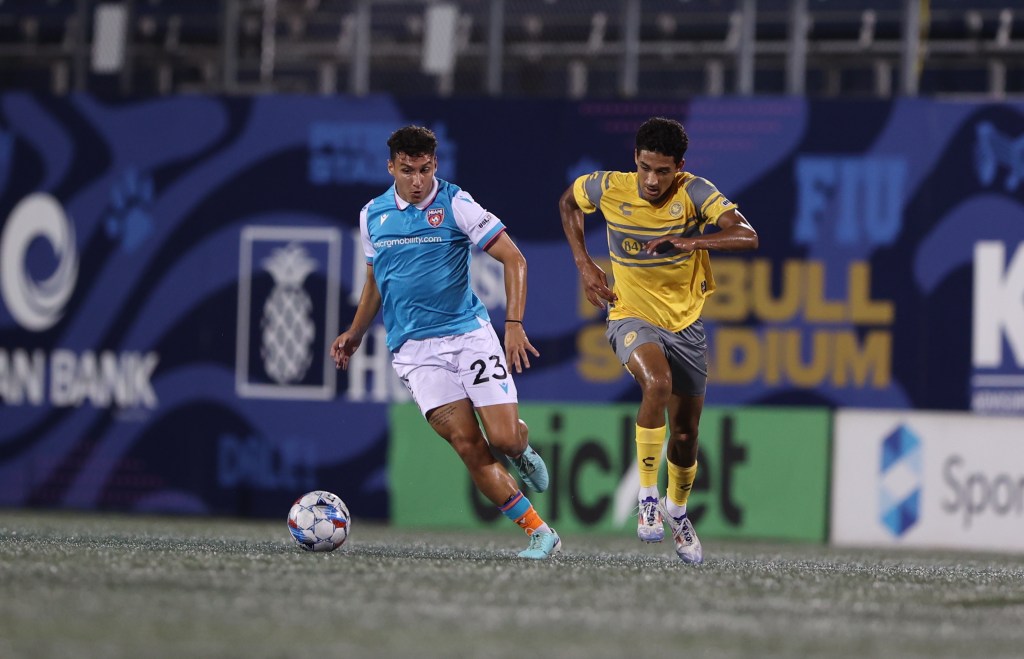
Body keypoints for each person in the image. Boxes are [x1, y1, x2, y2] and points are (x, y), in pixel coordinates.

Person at [332, 125, 560, 560]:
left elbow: (514, 257)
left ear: (434, 164)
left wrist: (513, 323)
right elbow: (374, 281)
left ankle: (521, 448)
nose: (416, 181)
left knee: (504, 439)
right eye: (406, 171)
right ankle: (539, 532)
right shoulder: (372, 215)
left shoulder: (456, 203)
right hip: (415, 354)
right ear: (391, 168)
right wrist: (355, 332)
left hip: (469, 338)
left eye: (423, 170)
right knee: (467, 444)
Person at [558, 117, 758, 564]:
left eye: (662, 170)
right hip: (629, 312)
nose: (652, 179)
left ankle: (677, 511)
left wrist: (691, 242)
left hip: (685, 324)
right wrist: (584, 264)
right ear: (636, 160)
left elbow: (747, 235)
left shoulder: (695, 193)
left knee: (686, 435)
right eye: (646, 167)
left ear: (679, 167)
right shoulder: (608, 187)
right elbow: (568, 203)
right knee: (657, 384)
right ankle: (647, 497)